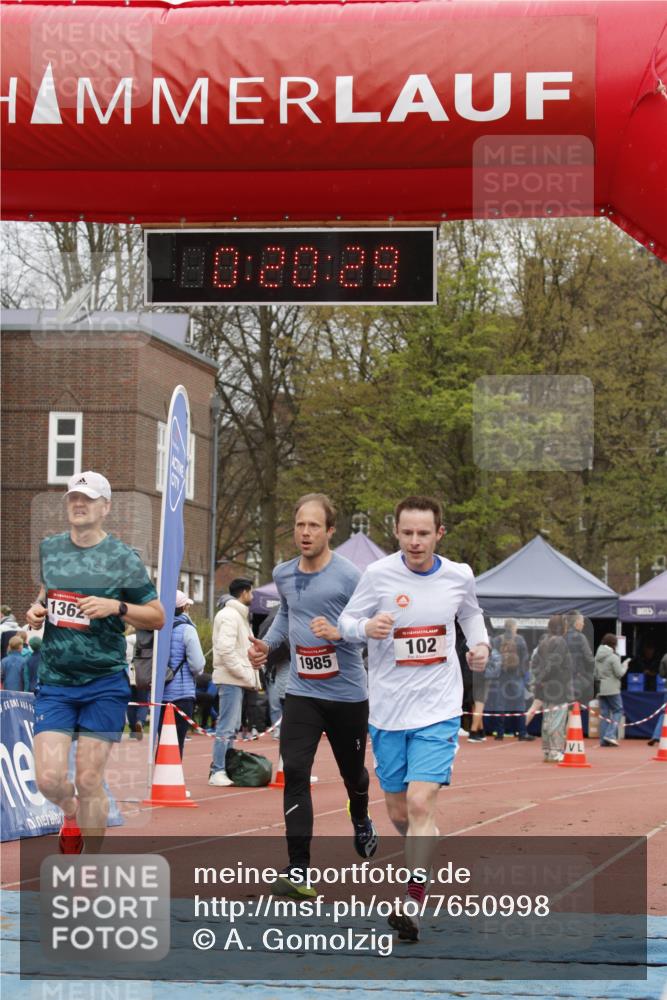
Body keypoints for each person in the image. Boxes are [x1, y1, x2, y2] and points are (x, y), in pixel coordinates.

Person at [338, 495, 490, 942]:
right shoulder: (377, 575)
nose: (415, 541)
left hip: (438, 708)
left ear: (439, 533)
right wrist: (365, 629)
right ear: (396, 532)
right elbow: (346, 621)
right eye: (407, 533)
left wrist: (479, 646)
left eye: (424, 533)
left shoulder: (459, 575)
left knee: (422, 803)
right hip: (388, 710)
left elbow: (471, 614)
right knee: (400, 811)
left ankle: (412, 902)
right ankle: (424, 840)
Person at [24, 470, 165, 853]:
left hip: (103, 683)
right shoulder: (50, 549)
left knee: (88, 780)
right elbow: (46, 593)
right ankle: (70, 814)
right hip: (56, 681)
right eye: (73, 497)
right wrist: (36, 610)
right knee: (48, 780)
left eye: (87, 499)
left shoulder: (122, 559)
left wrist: (116, 606)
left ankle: (90, 866)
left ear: (105, 507)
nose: (79, 504)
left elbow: (157, 616)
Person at [248, 493, 377, 899]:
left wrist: (339, 632)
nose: (305, 533)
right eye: (300, 525)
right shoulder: (284, 573)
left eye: (314, 526)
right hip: (302, 691)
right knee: (295, 772)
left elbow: (369, 627)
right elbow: (287, 616)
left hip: (347, 694)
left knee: (353, 775)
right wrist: (268, 645)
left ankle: (360, 813)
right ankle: (299, 868)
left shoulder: (351, 576)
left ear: (330, 531)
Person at [209, 578, 261, 787]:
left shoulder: (238, 616)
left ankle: (224, 767)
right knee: (226, 726)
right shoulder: (230, 616)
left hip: (235, 678)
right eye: (251, 592)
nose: (253, 596)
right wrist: (243, 673)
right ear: (244, 592)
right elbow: (225, 649)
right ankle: (218, 770)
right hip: (231, 678)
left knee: (231, 726)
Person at [157, 590, 206, 757]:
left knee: (162, 740)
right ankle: (172, 772)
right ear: (184, 608)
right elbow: (197, 665)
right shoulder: (187, 629)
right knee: (177, 741)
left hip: (159, 693)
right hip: (181, 694)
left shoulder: (157, 628)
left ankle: (159, 770)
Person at [531, 615, 573, 762]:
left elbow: (535, 663)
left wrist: (539, 679)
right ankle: (555, 751)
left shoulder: (544, 642)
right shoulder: (560, 642)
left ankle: (548, 750)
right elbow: (554, 663)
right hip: (557, 686)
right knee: (557, 720)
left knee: (548, 719)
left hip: (547, 687)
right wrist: (543, 678)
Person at [492, 619, 534, 741]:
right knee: (519, 704)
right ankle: (522, 732)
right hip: (516, 675)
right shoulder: (520, 639)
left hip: (502, 675)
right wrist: (523, 674)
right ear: (514, 627)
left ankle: (499, 733)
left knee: (500, 704)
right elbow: (525, 658)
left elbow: (494, 657)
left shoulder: (497, 639)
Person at [594, 633, 627, 747]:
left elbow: (594, 674)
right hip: (612, 689)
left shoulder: (597, 657)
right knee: (618, 710)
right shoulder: (613, 657)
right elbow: (619, 673)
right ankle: (610, 734)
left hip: (600, 688)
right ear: (614, 644)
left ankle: (603, 740)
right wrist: (625, 665)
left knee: (604, 714)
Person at [565, 611, 595, 706]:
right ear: (576, 622)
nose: (583, 624)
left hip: (561, 681)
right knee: (579, 709)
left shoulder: (561, 637)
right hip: (578, 681)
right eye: (582, 621)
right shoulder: (581, 637)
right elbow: (589, 659)